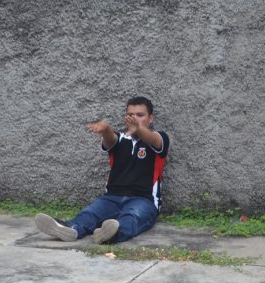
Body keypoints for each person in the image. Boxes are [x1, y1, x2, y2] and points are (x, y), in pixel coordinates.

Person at [35, 97, 169, 244]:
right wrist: (105, 129)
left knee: (132, 217)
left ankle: (113, 233)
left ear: (151, 118)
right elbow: (110, 139)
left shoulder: (159, 137)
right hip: (111, 197)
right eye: (131, 115)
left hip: (144, 200)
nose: (135, 119)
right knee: (89, 214)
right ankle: (71, 229)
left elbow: (152, 139)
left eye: (140, 115)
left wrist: (139, 128)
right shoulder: (120, 139)